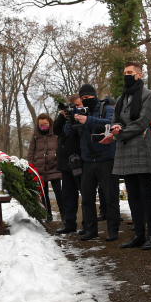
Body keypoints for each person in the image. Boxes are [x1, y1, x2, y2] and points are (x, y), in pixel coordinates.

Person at [104, 61, 151, 250]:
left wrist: (121, 131)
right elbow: (114, 121)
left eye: (130, 72)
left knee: (146, 192)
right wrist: (115, 128)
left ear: (139, 74)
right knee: (132, 194)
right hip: (124, 150)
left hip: (141, 150)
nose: (126, 75)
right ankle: (138, 234)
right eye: (124, 72)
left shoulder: (149, 95)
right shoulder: (121, 98)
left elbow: (143, 122)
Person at [65, 84, 120, 241]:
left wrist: (87, 120)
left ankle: (112, 230)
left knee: (111, 197)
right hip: (87, 160)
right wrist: (70, 117)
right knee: (87, 198)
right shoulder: (79, 111)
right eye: (83, 99)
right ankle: (90, 229)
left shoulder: (106, 108)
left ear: (95, 96)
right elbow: (68, 132)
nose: (86, 101)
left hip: (106, 159)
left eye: (88, 98)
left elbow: (110, 122)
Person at [55, 95, 84, 235]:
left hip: (79, 161)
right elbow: (55, 130)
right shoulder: (66, 117)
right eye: (72, 105)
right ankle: (70, 223)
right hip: (65, 162)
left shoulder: (84, 116)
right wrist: (62, 116)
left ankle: (87, 224)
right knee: (68, 194)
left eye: (77, 105)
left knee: (85, 193)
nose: (74, 108)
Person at [28, 113, 64, 224]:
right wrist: (31, 165)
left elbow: (61, 147)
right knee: (44, 194)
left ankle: (64, 214)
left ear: (50, 123)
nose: (43, 126)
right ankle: (48, 215)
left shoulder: (56, 133)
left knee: (59, 192)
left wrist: (59, 160)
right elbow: (31, 152)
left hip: (54, 166)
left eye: (45, 124)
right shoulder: (35, 136)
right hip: (40, 168)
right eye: (41, 125)